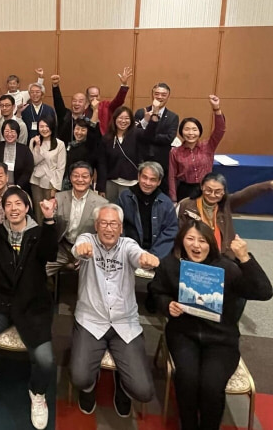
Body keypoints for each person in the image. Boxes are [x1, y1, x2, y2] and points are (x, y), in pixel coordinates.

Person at [148, 221, 272, 430]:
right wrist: (167, 304)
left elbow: (264, 291)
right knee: (187, 379)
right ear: (181, 241)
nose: (196, 245)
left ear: (211, 244)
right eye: (190, 239)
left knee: (211, 385)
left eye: (202, 240)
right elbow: (155, 293)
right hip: (183, 334)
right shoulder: (171, 264)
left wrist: (244, 258)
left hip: (221, 339)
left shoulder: (226, 267)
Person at [0, 188, 58, 430]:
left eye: (19, 203)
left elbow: (50, 253)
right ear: (4, 210)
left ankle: (37, 393)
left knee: (46, 360)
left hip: (32, 302)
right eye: (8, 204)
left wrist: (49, 220)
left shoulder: (39, 233)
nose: (13, 208)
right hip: (1, 300)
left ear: (27, 207)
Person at [70, 204, 158, 418]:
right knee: (80, 378)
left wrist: (146, 259)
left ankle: (123, 384)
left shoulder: (128, 245)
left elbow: (138, 255)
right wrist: (80, 250)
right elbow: (78, 248)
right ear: (96, 226)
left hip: (124, 322)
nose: (108, 228)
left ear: (121, 227)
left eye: (113, 224)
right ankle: (90, 387)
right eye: (103, 223)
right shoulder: (87, 240)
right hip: (91, 320)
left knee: (144, 391)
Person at [178, 173, 273, 259]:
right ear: (202, 187)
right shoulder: (186, 205)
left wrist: (268, 185)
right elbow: (178, 232)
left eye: (218, 191)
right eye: (208, 190)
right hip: (195, 252)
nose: (212, 195)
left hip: (223, 254)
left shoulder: (226, 203)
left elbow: (245, 194)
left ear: (223, 192)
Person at [45, 162, 108, 278]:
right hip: (62, 248)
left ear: (91, 179)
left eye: (84, 176)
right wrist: (49, 214)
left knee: (97, 276)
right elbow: (52, 228)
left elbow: (104, 234)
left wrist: (90, 251)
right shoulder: (59, 198)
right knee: (39, 268)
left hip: (88, 249)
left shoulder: (102, 203)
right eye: (76, 176)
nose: (80, 180)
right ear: (70, 178)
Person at [169, 95, 225, 202]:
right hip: (185, 190)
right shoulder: (175, 152)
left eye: (194, 129)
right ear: (181, 132)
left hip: (206, 189)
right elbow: (172, 177)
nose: (191, 133)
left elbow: (220, 130)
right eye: (187, 129)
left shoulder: (208, 146)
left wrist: (216, 109)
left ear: (199, 132)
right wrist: (173, 199)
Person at [117, 161, 178, 261]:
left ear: (159, 182)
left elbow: (170, 232)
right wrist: (129, 251)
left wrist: (153, 256)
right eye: (144, 177)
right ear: (138, 176)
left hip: (156, 255)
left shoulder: (166, 203)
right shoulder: (124, 197)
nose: (147, 183)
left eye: (153, 180)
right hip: (128, 252)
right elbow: (118, 225)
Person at [99, 105, 156, 202]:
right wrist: (101, 187)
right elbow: (102, 164)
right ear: (114, 119)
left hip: (131, 183)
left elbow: (149, 136)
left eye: (127, 118)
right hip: (111, 183)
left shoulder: (137, 134)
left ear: (131, 120)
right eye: (120, 118)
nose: (123, 121)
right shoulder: (107, 138)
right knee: (110, 209)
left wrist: (153, 118)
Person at [134, 83, 179, 197]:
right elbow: (135, 134)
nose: (159, 97)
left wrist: (148, 135)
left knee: (160, 195)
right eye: (157, 94)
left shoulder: (173, 117)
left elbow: (169, 138)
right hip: (141, 159)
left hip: (161, 162)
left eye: (163, 94)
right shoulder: (141, 112)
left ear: (168, 96)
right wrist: (145, 122)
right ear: (152, 95)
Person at [29, 116, 66, 224]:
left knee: (50, 211)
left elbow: (61, 168)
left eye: (47, 126)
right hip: (36, 181)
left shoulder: (60, 144)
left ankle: (49, 231)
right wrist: (37, 146)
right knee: (38, 211)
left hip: (51, 182)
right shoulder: (33, 141)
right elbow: (32, 162)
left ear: (52, 127)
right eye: (41, 126)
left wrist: (55, 187)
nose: (44, 129)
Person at [86, 67, 133, 135]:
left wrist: (124, 85)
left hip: (105, 137)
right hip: (90, 138)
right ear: (87, 97)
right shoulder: (84, 110)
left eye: (97, 96)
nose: (95, 98)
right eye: (92, 96)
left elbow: (118, 101)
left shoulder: (106, 105)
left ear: (100, 96)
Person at [51, 75, 96, 146]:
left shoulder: (88, 120)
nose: (77, 103)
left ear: (86, 105)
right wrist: (55, 86)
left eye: (80, 101)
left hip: (81, 151)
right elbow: (58, 102)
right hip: (64, 150)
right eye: (74, 101)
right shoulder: (65, 115)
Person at [62, 118, 103, 191]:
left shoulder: (90, 147)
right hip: (67, 184)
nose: (79, 132)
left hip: (82, 184)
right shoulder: (71, 145)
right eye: (77, 129)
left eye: (83, 130)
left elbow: (93, 135)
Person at [0, 119, 34, 191]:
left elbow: (28, 170)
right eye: (6, 131)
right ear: (2, 133)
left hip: (19, 188)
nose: (9, 134)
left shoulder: (24, 149)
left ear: (17, 133)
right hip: (0, 187)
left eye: (12, 131)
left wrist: (18, 186)